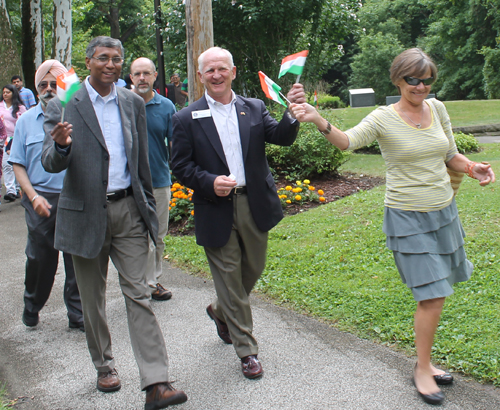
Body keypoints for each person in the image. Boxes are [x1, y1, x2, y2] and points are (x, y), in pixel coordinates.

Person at [289, 48, 496, 405]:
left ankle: (425, 362)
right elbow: (348, 141)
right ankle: (422, 367)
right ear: (398, 79)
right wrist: (319, 120)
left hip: (444, 212)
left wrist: (470, 167)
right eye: (414, 79)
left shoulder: (439, 109)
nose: (421, 87)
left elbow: (449, 154)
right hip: (406, 216)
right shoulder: (384, 118)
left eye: (428, 79)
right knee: (432, 295)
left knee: (439, 293)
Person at [41, 36, 187, 409]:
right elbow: (50, 162)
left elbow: (138, 160)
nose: (111, 64)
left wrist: (147, 210)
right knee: (93, 300)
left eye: (116, 59)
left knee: (139, 294)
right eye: (103, 58)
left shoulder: (131, 102)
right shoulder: (62, 103)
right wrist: (60, 145)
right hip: (84, 214)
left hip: (128, 211)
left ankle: (157, 382)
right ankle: (104, 365)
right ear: (88, 61)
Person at [171, 46, 305, 379]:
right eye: (209, 71)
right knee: (230, 277)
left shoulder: (255, 107)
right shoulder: (185, 117)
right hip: (214, 206)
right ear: (200, 76)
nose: (216, 75)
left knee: (253, 268)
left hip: (253, 203)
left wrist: (292, 112)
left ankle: (219, 310)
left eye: (222, 69)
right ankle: (247, 350)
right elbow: (180, 166)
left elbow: (281, 138)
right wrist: (208, 181)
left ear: (233, 71)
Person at [9, 60, 83, 331]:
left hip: (75, 198)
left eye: (55, 84)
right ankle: (33, 304)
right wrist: (32, 196)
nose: (49, 89)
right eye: (43, 85)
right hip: (40, 198)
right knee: (41, 259)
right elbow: (17, 163)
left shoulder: (76, 115)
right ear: (35, 88)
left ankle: (77, 313)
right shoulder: (26, 121)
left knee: (77, 258)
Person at [130, 57, 176, 301]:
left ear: (155, 75)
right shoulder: (122, 104)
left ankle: (152, 280)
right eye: (137, 74)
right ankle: (141, 282)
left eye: (146, 73)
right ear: (131, 77)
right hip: (128, 184)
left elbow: (177, 143)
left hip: (158, 181)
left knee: (157, 235)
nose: (142, 78)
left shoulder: (166, 106)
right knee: (135, 237)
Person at [1, 84, 26, 203]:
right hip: (4, 138)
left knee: (16, 162)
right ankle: (10, 190)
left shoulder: (20, 108)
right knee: (6, 164)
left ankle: (17, 187)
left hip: (17, 137)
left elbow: (24, 122)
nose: (5, 94)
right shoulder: (0, 106)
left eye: (8, 92)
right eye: (4, 92)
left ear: (13, 93)